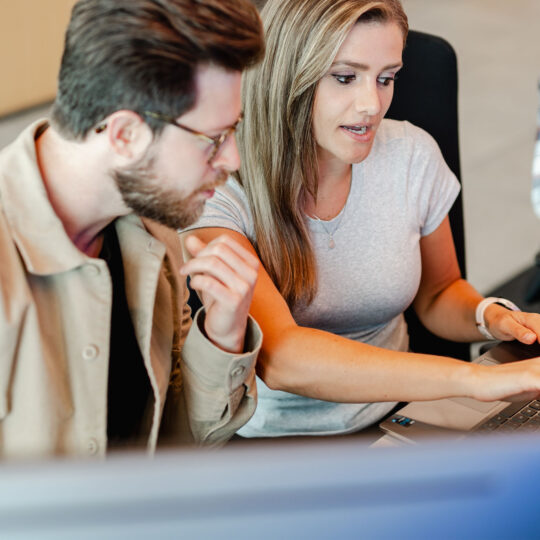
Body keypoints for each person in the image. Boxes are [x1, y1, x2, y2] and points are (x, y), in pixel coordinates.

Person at [183, 0, 540, 439]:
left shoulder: (411, 153)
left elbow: (439, 293)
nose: (372, 104)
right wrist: (480, 381)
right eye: (345, 77)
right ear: (289, 74)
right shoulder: (219, 181)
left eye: (386, 78)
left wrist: (492, 316)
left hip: (401, 417)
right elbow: (282, 357)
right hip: (272, 441)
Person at [0, 0, 265, 459]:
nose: (232, 161)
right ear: (123, 135)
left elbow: (169, 448)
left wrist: (222, 337)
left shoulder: (153, 229)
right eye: (214, 139)